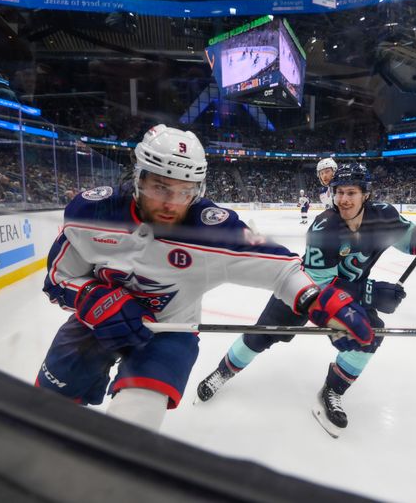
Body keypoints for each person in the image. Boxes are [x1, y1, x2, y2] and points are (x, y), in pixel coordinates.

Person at [35, 125, 370, 431]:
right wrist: (89, 298)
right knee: (45, 413)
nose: (171, 203)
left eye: (185, 191)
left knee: (129, 434)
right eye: (160, 188)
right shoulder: (93, 215)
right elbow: (58, 276)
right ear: (139, 178)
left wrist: (315, 299)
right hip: (95, 324)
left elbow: (280, 268)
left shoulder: (211, 229)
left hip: (169, 333)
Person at [196, 163, 416, 437]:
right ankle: (224, 371)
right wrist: (370, 292)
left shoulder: (385, 216)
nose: (343, 200)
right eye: (339, 192)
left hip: (350, 293)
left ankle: (333, 390)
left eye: (351, 193)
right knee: (259, 336)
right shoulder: (325, 226)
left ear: (366, 195)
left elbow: (414, 244)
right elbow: (320, 289)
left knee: (369, 336)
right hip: (303, 290)